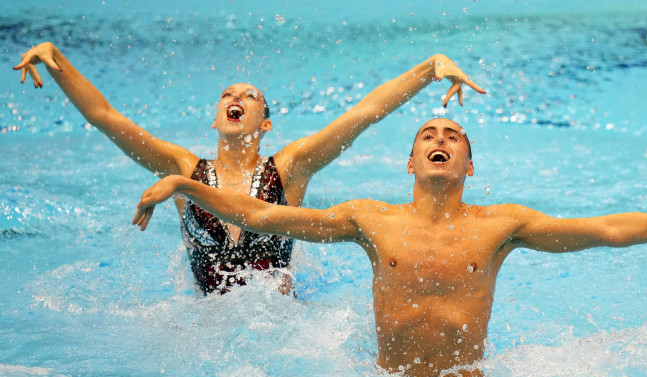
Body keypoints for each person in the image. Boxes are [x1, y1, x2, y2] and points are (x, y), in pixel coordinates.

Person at [133, 118, 647, 377]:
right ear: (412, 163)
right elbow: (265, 216)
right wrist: (185, 185)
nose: (439, 142)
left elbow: (604, 230)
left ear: (470, 166)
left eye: (452, 138)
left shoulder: (502, 225)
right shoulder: (369, 219)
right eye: (427, 137)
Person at [14, 43, 485, 295]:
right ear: (216, 116)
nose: (236, 99)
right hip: (204, 331)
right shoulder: (184, 168)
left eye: (250, 96)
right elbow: (107, 120)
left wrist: (429, 69)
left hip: (278, 329)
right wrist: (57, 61)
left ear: (266, 122)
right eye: (227, 94)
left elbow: (362, 114)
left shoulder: (291, 167)